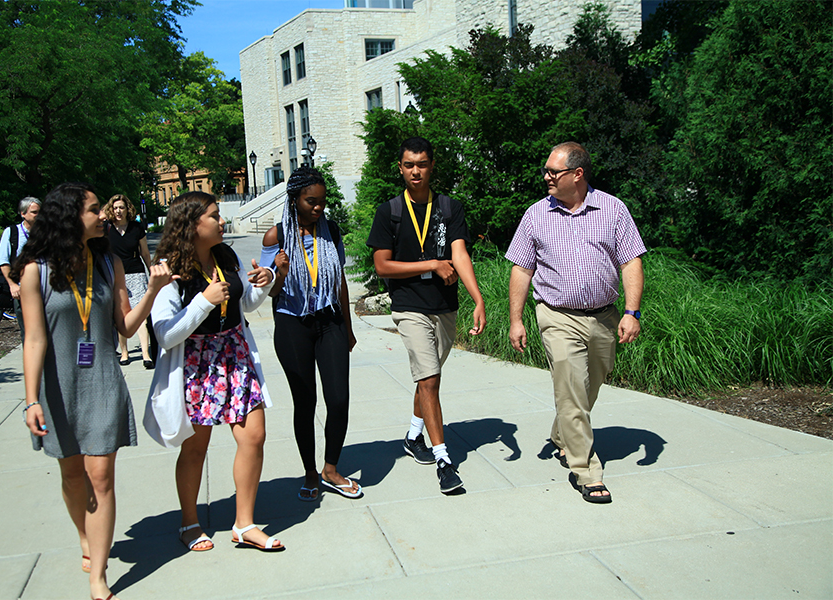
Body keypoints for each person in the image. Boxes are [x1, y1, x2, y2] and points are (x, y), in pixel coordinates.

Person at [13, 182, 176, 600]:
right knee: (72, 476)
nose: (102, 215)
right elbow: (34, 340)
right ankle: (85, 537)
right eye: (92, 210)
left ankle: (98, 576)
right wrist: (30, 399)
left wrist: (154, 290)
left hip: (103, 376)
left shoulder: (107, 264)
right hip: (58, 383)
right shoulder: (37, 270)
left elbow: (125, 326)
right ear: (70, 218)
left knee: (100, 476)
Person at [506, 141, 646, 504]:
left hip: (603, 317)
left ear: (577, 174)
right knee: (570, 384)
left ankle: (561, 434)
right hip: (556, 315)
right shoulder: (536, 215)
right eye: (547, 171)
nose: (547, 177)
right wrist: (516, 319)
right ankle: (585, 470)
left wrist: (632, 312)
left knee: (586, 389)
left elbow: (630, 262)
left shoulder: (613, 210)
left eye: (554, 172)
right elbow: (521, 269)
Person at [144, 192, 283, 554]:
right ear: (192, 225)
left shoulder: (225, 255)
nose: (221, 221)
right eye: (214, 216)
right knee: (195, 448)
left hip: (235, 354)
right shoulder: (170, 268)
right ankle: (189, 522)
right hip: (196, 363)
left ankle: (244, 524)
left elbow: (244, 302)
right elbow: (165, 333)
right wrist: (203, 301)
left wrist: (264, 281)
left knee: (254, 436)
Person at [366, 137, 486, 494]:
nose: (415, 171)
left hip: (445, 307)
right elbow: (382, 265)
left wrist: (477, 298)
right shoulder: (390, 212)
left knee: (426, 379)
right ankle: (444, 459)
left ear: (432, 165)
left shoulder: (449, 208)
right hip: (409, 306)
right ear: (400, 168)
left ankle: (413, 435)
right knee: (430, 379)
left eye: (421, 164)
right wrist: (431, 264)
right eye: (408, 165)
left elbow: (460, 253)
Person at [260, 166, 359, 502]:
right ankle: (310, 473)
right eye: (311, 202)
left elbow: (340, 280)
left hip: (329, 321)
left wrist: (348, 326)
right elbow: (266, 294)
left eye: (322, 202)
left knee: (339, 400)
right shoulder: (276, 237)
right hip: (292, 325)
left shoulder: (330, 230)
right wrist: (279, 274)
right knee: (305, 403)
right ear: (294, 200)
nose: (318, 208)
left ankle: (331, 468)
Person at [104, 194, 153, 368]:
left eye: (121, 207)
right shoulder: (106, 228)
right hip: (115, 276)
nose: (118, 211)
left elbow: (145, 253)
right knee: (121, 314)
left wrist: (151, 270)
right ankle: (124, 352)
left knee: (140, 315)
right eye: (115, 207)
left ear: (127, 209)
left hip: (136, 273)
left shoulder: (136, 228)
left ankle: (145, 354)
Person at [0, 196, 41, 337]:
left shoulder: (45, 234)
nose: (38, 216)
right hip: (22, 290)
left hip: (44, 289)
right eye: (34, 212)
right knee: (28, 332)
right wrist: (12, 285)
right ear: (23, 214)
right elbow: (3, 260)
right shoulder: (11, 233)